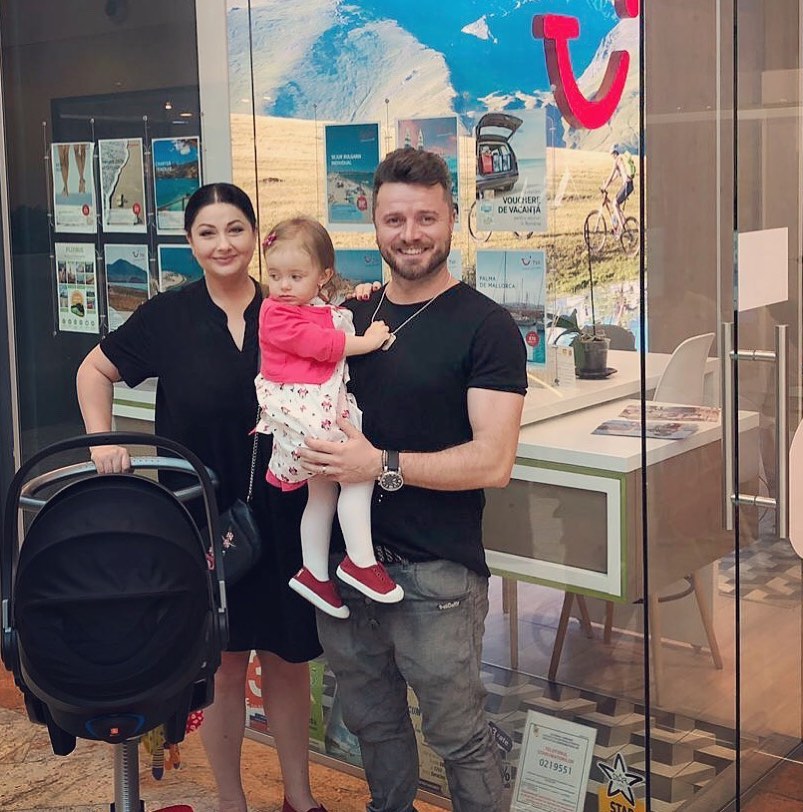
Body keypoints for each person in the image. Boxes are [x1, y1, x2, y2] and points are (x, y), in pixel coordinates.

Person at [76, 182, 328, 812]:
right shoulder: (169, 316)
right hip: (202, 517)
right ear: (190, 242)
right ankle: (231, 800)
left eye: (236, 229)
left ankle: (300, 797)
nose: (224, 244)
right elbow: (93, 369)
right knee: (224, 663)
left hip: (286, 508)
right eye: (208, 233)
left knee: (289, 658)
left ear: (255, 235)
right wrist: (104, 442)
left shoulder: (287, 304)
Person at [297, 147, 528, 812]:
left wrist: (382, 465)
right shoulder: (350, 319)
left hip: (436, 576)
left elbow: (493, 462)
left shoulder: (486, 326)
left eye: (426, 217)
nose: (410, 234)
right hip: (345, 573)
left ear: (452, 216)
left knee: (460, 739)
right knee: (373, 728)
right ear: (372, 221)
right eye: (394, 219)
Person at [254, 216, 402, 618]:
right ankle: (360, 560)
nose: (283, 286)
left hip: (309, 417)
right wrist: (369, 341)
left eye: (295, 276)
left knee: (320, 495)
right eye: (274, 276)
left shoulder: (312, 306)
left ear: (323, 276)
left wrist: (362, 294)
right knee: (360, 473)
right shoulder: (275, 314)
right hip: (309, 418)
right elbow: (322, 345)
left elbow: (332, 315)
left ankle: (314, 573)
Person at [601, 144, 635, 235]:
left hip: (627, 185)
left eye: (611, 154)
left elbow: (610, 176)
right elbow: (614, 177)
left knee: (614, 204)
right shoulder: (621, 161)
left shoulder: (617, 161)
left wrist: (604, 187)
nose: (612, 156)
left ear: (614, 153)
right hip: (630, 185)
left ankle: (622, 228)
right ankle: (622, 225)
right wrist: (606, 184)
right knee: (617, 204)